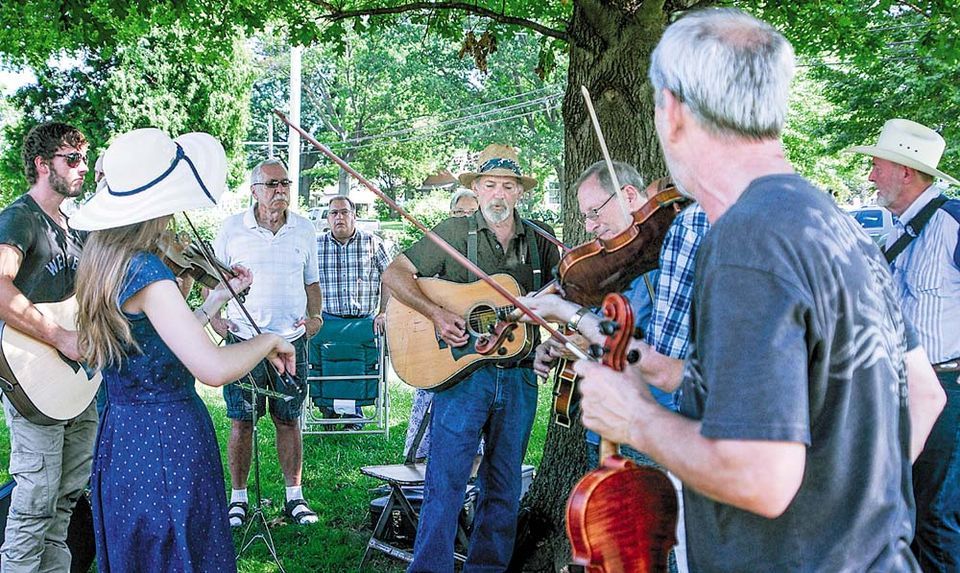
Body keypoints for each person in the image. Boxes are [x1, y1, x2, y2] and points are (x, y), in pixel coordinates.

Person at [573, 8, 946, 571]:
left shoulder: (747, 239)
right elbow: (923, 394)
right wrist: (661, 369)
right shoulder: (834, 223)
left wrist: (634, 418)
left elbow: (760, 478)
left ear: (671, 110)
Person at [70, 127, 296, 572]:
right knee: (178, 551)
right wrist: (268, 339)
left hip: (122, 432)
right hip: (166, 437)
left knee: (140, 551)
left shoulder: (101, 262)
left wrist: (214, 299)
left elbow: (159, 344)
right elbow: (211, 366)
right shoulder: (146, 269)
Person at [518, 160, 709, 573]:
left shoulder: (671, 245)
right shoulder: (614, 263)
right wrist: (564, 345)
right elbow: (610, 334)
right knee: (615, 539)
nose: (589, 226)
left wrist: (566, 313)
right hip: (611, 421)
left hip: (661, 417)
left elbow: (653, 353)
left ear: (626, 196)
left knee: (660, 542)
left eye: (594, 212)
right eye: (584, 215)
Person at [382, 143, 560, 571]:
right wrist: (438, 313)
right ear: (477, 189)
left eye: (508, 186)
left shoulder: (541, 241)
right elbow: (394, 274)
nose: (499, 194)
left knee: (502, 485)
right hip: (463, 378)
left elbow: (566, 294)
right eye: (490, 185)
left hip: (519, 376)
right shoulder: (454, 233)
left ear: (520, 193)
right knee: (445, 482)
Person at [850, 118, 960, 570]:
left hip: (949, 389)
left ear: (906, 173)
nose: (871, 176)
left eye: (877, 166)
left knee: (936, 515)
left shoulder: (952, 222)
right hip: (902, 388)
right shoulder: (896, 229)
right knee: (906, 507)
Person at [0, 122, 98, 572]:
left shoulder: (76, 227)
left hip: (77, 386)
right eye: (72, 159)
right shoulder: (20, 217)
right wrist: (59, 337)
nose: (84, 168)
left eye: (85, 158)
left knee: (64, 503)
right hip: (34, 380)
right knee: (34, 505)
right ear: (42, 165)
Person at [210, 159, 323, 527]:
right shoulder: (232, 229)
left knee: (289, 420)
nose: (280, 191)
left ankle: (295, 497)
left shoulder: (304, 230)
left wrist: (316, 317)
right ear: (254, 190)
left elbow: (311, 283)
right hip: (243, 339)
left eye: (285, 184)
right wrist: (215, 319)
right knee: (241, 420)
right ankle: (238, 500)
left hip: (290, 341)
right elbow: (215, 281)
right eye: (272, 184)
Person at [404, 187, 482, 461]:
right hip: (437, 342)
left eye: (471, 213)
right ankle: (419, 459)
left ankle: (472, 463)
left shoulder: (486, 250)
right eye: (459, 212)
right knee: (429, 395)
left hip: (476, 343)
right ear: (450, 215)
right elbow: (409, 283)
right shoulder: (439, 244)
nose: (464, 218)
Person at [313, 195, 390, 430]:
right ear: (327, 218)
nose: (339, 217)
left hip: (364, 321)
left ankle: (352, 416)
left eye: (344, 212)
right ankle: (328, 409)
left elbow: (391, 278)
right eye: (334, 213)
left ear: (353, 215)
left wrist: (384, 311)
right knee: (327, 367)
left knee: (357, 368)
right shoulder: (316, 245)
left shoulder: (372, 242)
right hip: (327, 321)